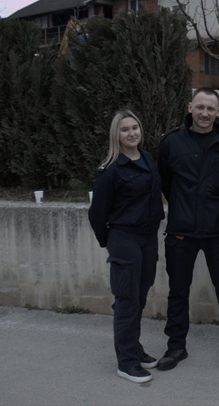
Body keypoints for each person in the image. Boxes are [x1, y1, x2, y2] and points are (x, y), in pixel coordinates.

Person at [156, 88, 219, 371]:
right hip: (182, 231)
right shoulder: (171, 142)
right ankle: (176, 347)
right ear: (190, 107)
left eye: (210, 109)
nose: (205, 113)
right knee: (178, 291)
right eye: (200, 107)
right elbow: (166, 182)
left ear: (218, 111)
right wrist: (183, 208)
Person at [88, 110, 164, 384]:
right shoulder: (110, 170)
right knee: (127, 301)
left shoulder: (146, 158)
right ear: (116, 135)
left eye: (135, 127)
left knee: (139, 297)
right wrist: (110, 242)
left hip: (148, 238)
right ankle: (126, 362)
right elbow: (97, 213)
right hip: (125, 238)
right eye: (125, 129)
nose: (132, 133)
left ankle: (134, 348)